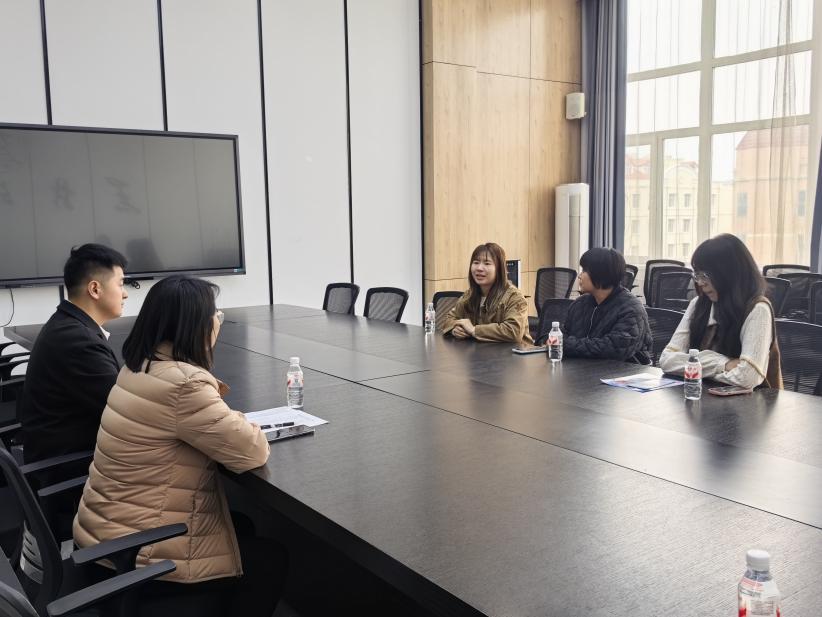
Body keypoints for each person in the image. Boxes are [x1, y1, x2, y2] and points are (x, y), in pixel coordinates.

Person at [73, 275, 284, 617]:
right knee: (270, 559)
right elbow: (251, 451)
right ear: (196, 327)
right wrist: (241, 420)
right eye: (215, 316)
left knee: (241, 526)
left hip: (104, 540)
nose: (218, 323)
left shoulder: (137, 367)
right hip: (140, 559)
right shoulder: (184, 385)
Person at [19, 243, 128, 462]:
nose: (125, 294)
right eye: (121, 284)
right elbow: (124, 411)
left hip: (65, 452)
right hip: (70, 467)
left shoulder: (68, 325)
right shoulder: (79, 341)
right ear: (95, 289)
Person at [659, 234, 782, 389]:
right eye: (697, 275)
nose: (700, 283)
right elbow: (666, 360)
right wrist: (723, 363)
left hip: (751, 402)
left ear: (729, 274)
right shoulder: (698, 304)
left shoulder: (758, 309)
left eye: (706, 275)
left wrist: (694, 366)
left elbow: (747, 377)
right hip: (703, 398)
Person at [537, 247, 653, 363]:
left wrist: (564, 344)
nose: (579, 276)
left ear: (600, 274)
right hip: (583, 369)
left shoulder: (631, 309)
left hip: (622, 371)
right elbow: (558, 335)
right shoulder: (580, 304)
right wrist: (554, 340)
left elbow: (613, 349)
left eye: (584, 271)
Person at [441, 242, 532, 344]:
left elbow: (513, 331)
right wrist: (455, 328)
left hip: (514, 353)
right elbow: (448, 319)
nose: (479, 268)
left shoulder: (514, 297)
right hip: (482, 352)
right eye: (476, 262)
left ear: (499, 269)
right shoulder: (469, 295)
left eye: (487, 263)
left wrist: (474, 330)